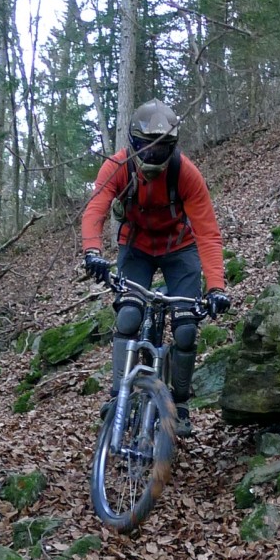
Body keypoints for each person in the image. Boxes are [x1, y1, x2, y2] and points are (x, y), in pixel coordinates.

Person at [81, 98, 230, 437]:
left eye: (159, 151)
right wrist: (92, 251)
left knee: (186, 330)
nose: (150, 157)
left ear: (172, 149)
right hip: (136, 247)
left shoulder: (186, 174)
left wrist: (217, 287)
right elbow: (95, 211)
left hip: (180, 249)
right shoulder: (117, 167)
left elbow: (207, 233)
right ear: (132, 145)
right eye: (144, 149)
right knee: (129, 317)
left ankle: (179, 404)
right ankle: (118, 396)